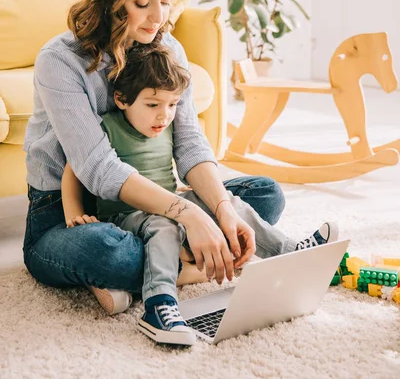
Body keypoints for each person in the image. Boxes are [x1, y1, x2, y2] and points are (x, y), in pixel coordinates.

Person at [22, 0, 337, 339]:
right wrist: (189, 214)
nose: (158, 17)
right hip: (73, 212)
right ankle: (184, 265)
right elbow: (98, 169)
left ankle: (169, 259)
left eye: (166, 1)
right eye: (142, 3)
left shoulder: (167, 47)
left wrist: (220, 209)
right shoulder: (60, 61)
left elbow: (189, 144)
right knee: (104, 251)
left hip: (157, 193)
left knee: (261, 195)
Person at [61, 45, 339, 346]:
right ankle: (159, 305)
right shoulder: (108, 127)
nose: (164, 115)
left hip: (173, 204)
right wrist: (75, 216)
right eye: (153, 104)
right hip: (127, 217)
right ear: (122, 99)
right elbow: (74, 170)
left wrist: (208, 206)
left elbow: (182, 178)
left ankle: (291, 253)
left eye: (172, 105)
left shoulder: (166, 127)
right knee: (163, 227)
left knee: (230, 204)